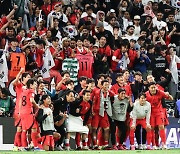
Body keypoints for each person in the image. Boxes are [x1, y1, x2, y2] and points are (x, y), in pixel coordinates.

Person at [145, 82, 173, 149]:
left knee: (161, 127)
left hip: (159, 112)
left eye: (154, 87)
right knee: (152, 128)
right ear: (149, 88)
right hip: (150, 113)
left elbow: (171, 99)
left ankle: (164, 144)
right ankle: (154, 145)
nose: (153, 89)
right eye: (152, 87)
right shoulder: (146, 94)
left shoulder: (160, 92)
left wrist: (168, 95)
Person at [12, 68, 31, 151]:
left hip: (25, 110)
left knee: (24, 129)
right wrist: (20, 72)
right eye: (28, 77)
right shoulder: (20, 85)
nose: (29, 79)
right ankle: (18, 145)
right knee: (20, 129)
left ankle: (19, 146)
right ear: (23, 78)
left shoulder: (28, 88)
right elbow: (14, 82)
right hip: (19, 110)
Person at [20, 79, 40, 151]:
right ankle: (35, 146)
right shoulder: (31, 91)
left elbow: (20, 102)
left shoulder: (23, 92)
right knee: (34, 128)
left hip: (22, 112)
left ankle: (24, 146)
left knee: (24, 130)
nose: (36, 85)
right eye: (35, 84)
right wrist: (37, 106)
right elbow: (31, 100)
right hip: (28, 112)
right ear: (30, 85)